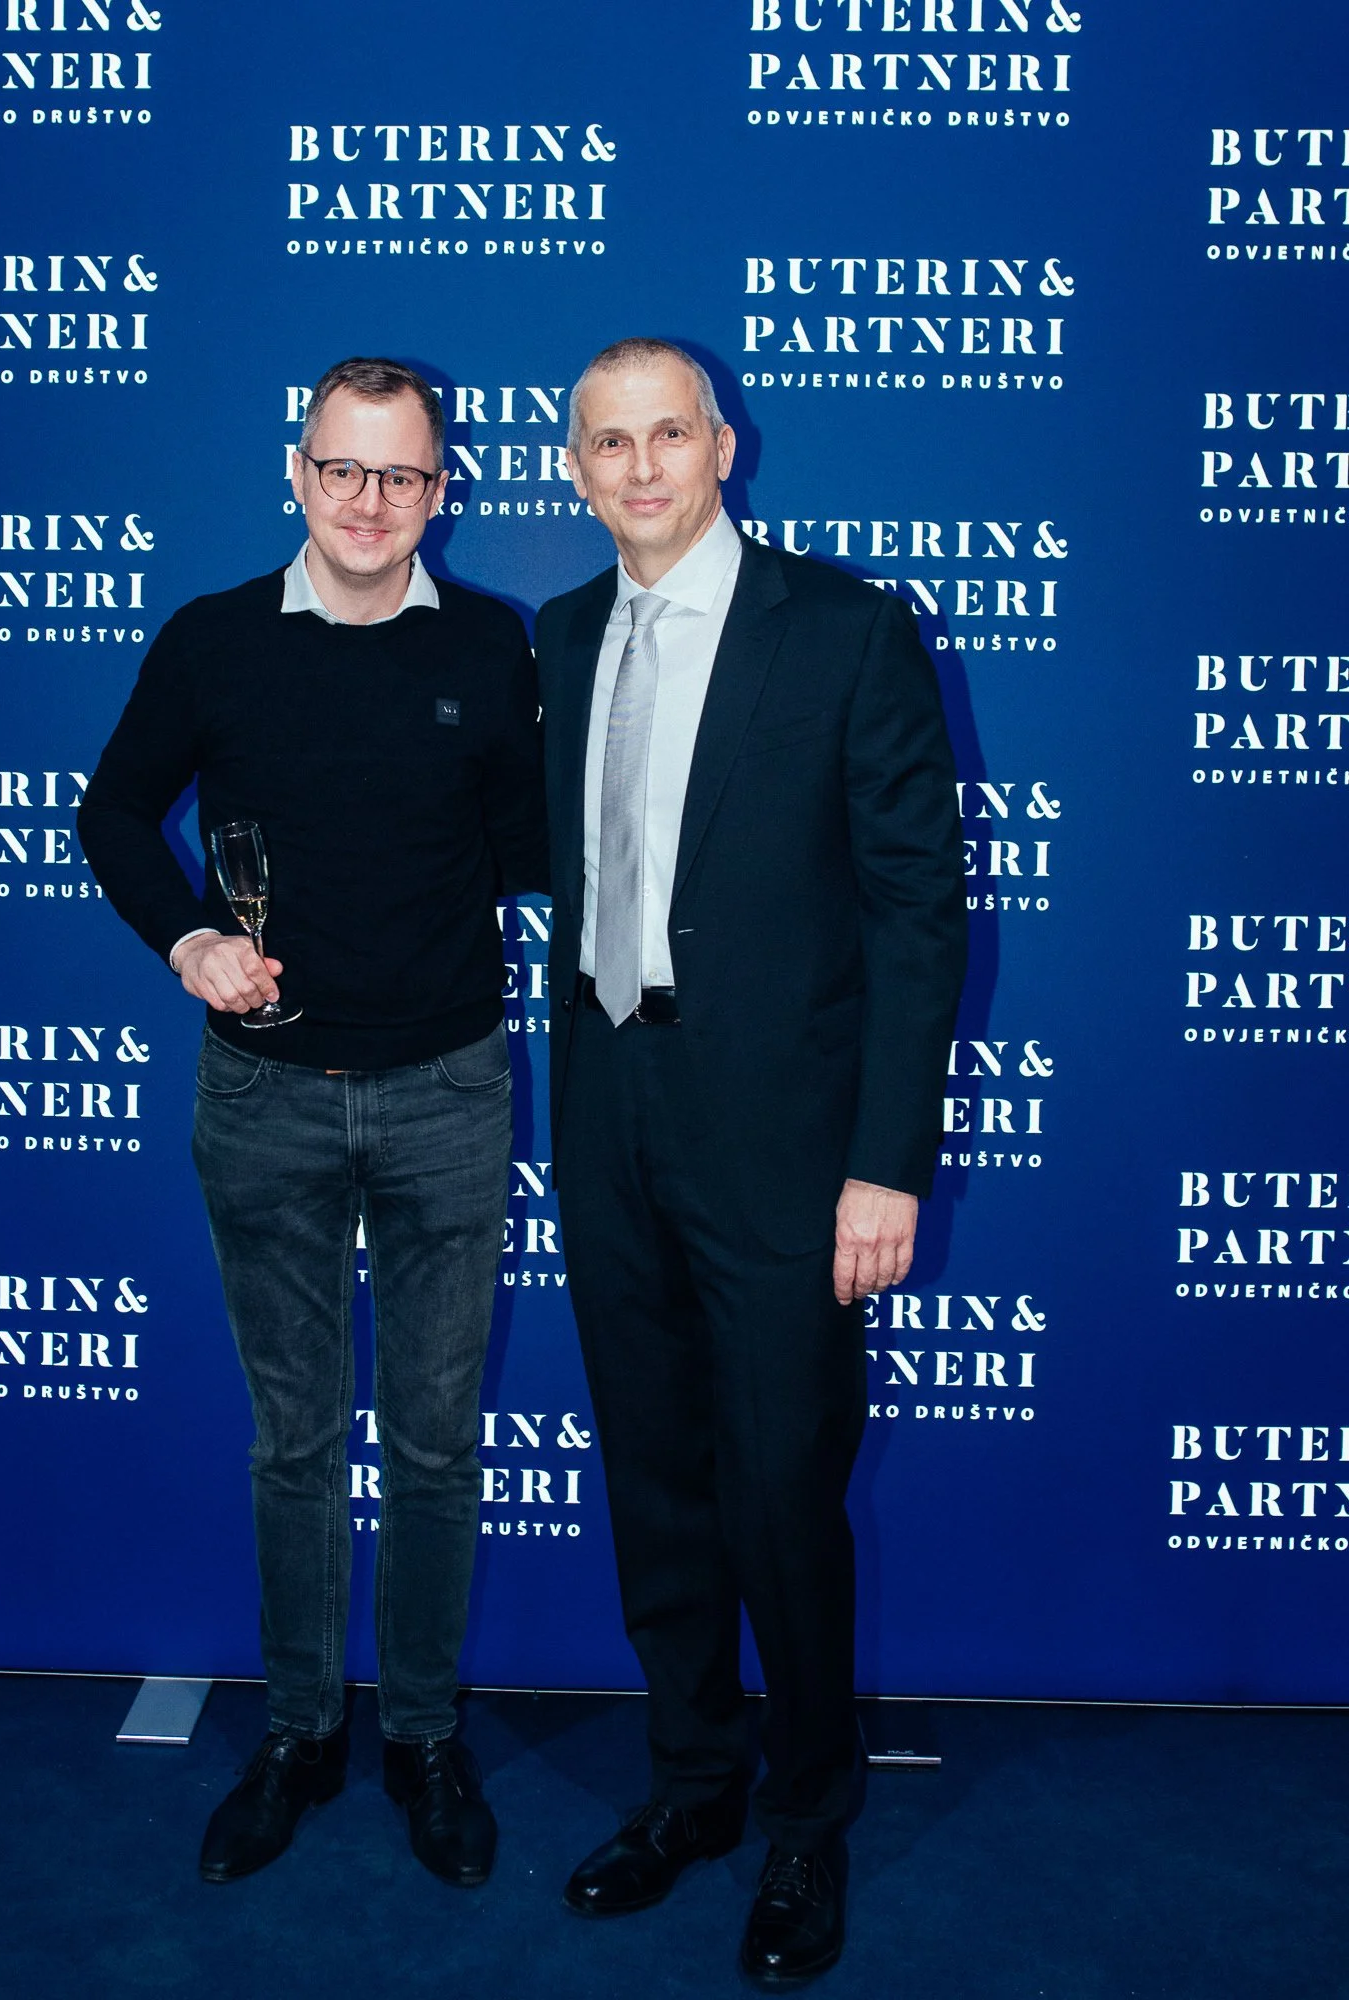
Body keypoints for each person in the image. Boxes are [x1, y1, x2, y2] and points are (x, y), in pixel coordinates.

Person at [78, 356, 548, 1891]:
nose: (368, 503)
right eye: (342, 471)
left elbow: (540, 846)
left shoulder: (494, 645)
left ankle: (419, 1732)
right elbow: (111, 811)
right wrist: (188, 938)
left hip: (448, 1094)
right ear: (296, 472)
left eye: (401, 476)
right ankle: (298, 1728)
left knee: (430, 1443)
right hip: (264, 1096)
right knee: (295, 1441)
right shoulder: (213, 640)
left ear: (441, 491)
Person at [535, 339, 965, 1986]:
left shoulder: (848, 630)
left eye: (668, 434)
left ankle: (804, 1821)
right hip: (609, 1120)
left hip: (791, 1152)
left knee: (781, 1497)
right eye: (607, 442)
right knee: (654, 1483)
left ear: (726, 445)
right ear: (573, 467)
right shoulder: (561, 639)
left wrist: (886, 1164)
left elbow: (919, 913)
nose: (639, 467)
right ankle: (691, 1787)